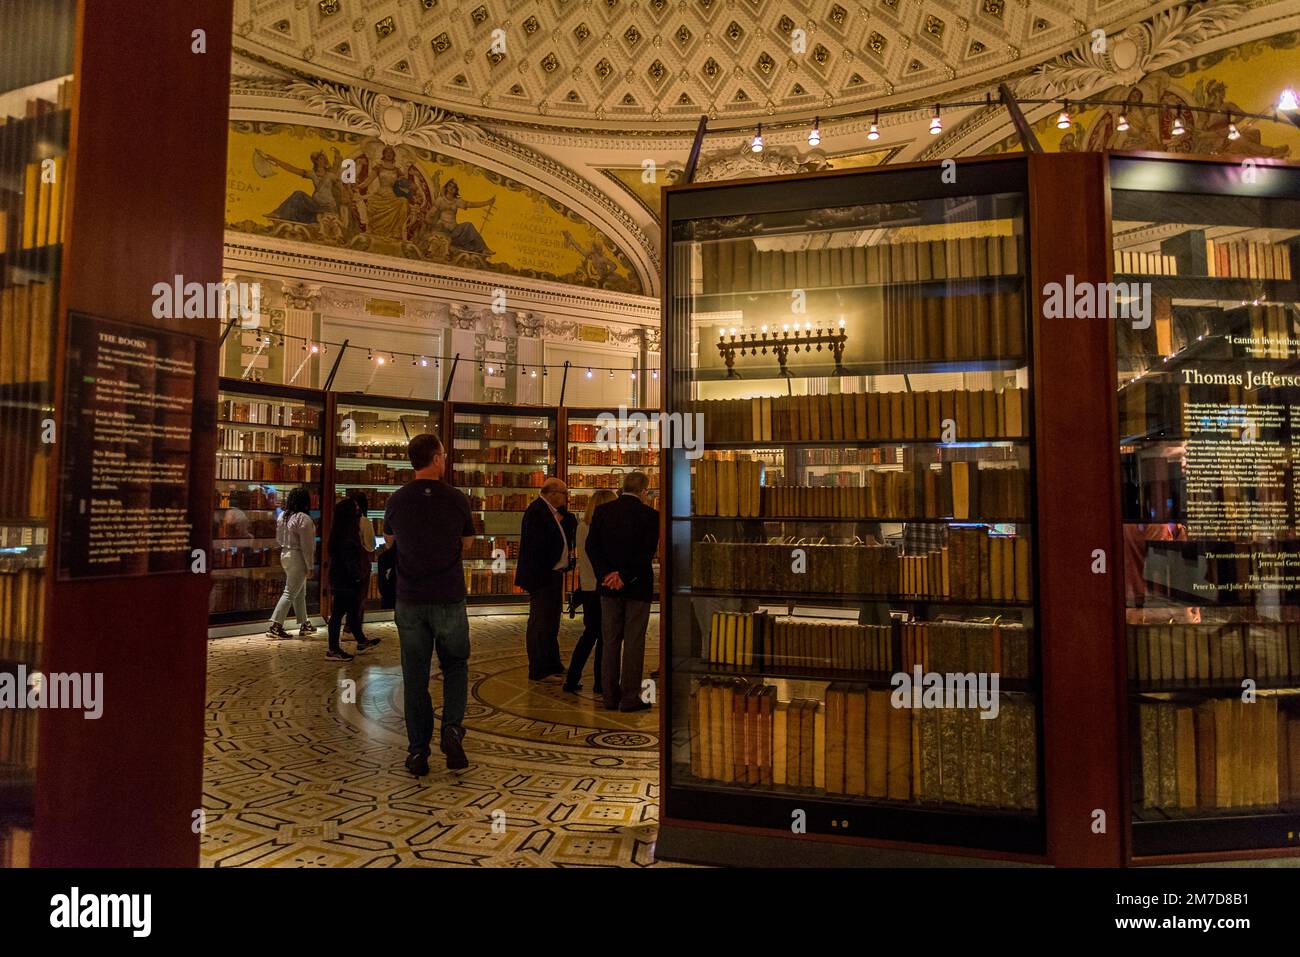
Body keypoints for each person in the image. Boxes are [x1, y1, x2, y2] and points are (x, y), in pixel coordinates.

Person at [383, 434, 475, 775]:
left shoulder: (397, 499)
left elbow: (390, 539)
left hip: (410, 599)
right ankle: (451, 728)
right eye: (444, 455)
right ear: (436, 459)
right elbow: (466, 541)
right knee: (455, 665)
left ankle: (418, 751)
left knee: (415, 675)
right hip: (449, 595)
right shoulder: (456, 499)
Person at [585, 472, 660, 712]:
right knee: (634, 643)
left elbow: (591, 547)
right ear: (644, 492)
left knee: (610, 641)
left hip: (608, 588)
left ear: (621, 488)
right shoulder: (651, 516)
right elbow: (645, 553)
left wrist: (607, 574)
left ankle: (609, 696)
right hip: (637, 587)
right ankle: (630, 697)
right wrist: (625, 576)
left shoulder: (603, 511)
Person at [515, 478, 573, 681]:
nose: (566, 497)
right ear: (553, 493)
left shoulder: (554, 512)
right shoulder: (537, 512)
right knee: (541, 623)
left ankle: (551, 663)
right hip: (542, 577)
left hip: (553, 575)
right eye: (564, 493)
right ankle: (539, 669)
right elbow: (537, 547)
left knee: (552, 622)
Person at [563, 489, 616, 694]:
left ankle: (573, 677)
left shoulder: (582, 526)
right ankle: (601, 682)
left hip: (587, 586)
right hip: (602, 586)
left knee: (590, 634)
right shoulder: (602, 528)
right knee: (604, 636)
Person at [326, 498, 380, 660]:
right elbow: (351, 562)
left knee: (350, 612)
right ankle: (333, 649)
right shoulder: (348, 537)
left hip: (341, 580)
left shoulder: (339, 533)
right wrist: (358, 577)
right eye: (356, 508)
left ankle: (361, 641)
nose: (359, 510)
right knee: (340, 614)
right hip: (347, 582)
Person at [266, 487, 318, 639]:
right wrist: (310, 566)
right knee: (290, 592)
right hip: (298, 556)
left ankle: (305, 624)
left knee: (299, 592)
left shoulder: (283, 516)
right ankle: (275, 625)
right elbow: (307, 546)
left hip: (285, 554)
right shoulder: (304, 519)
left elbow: (278, 539)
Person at [342, 492, 376, 639]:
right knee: (359, 598)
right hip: (361, 565)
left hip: (344, 565)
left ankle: (346, 629)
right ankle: (354, 630)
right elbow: (371, 545)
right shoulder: (365, 522)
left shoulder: (341, 522)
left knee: (345, 598)